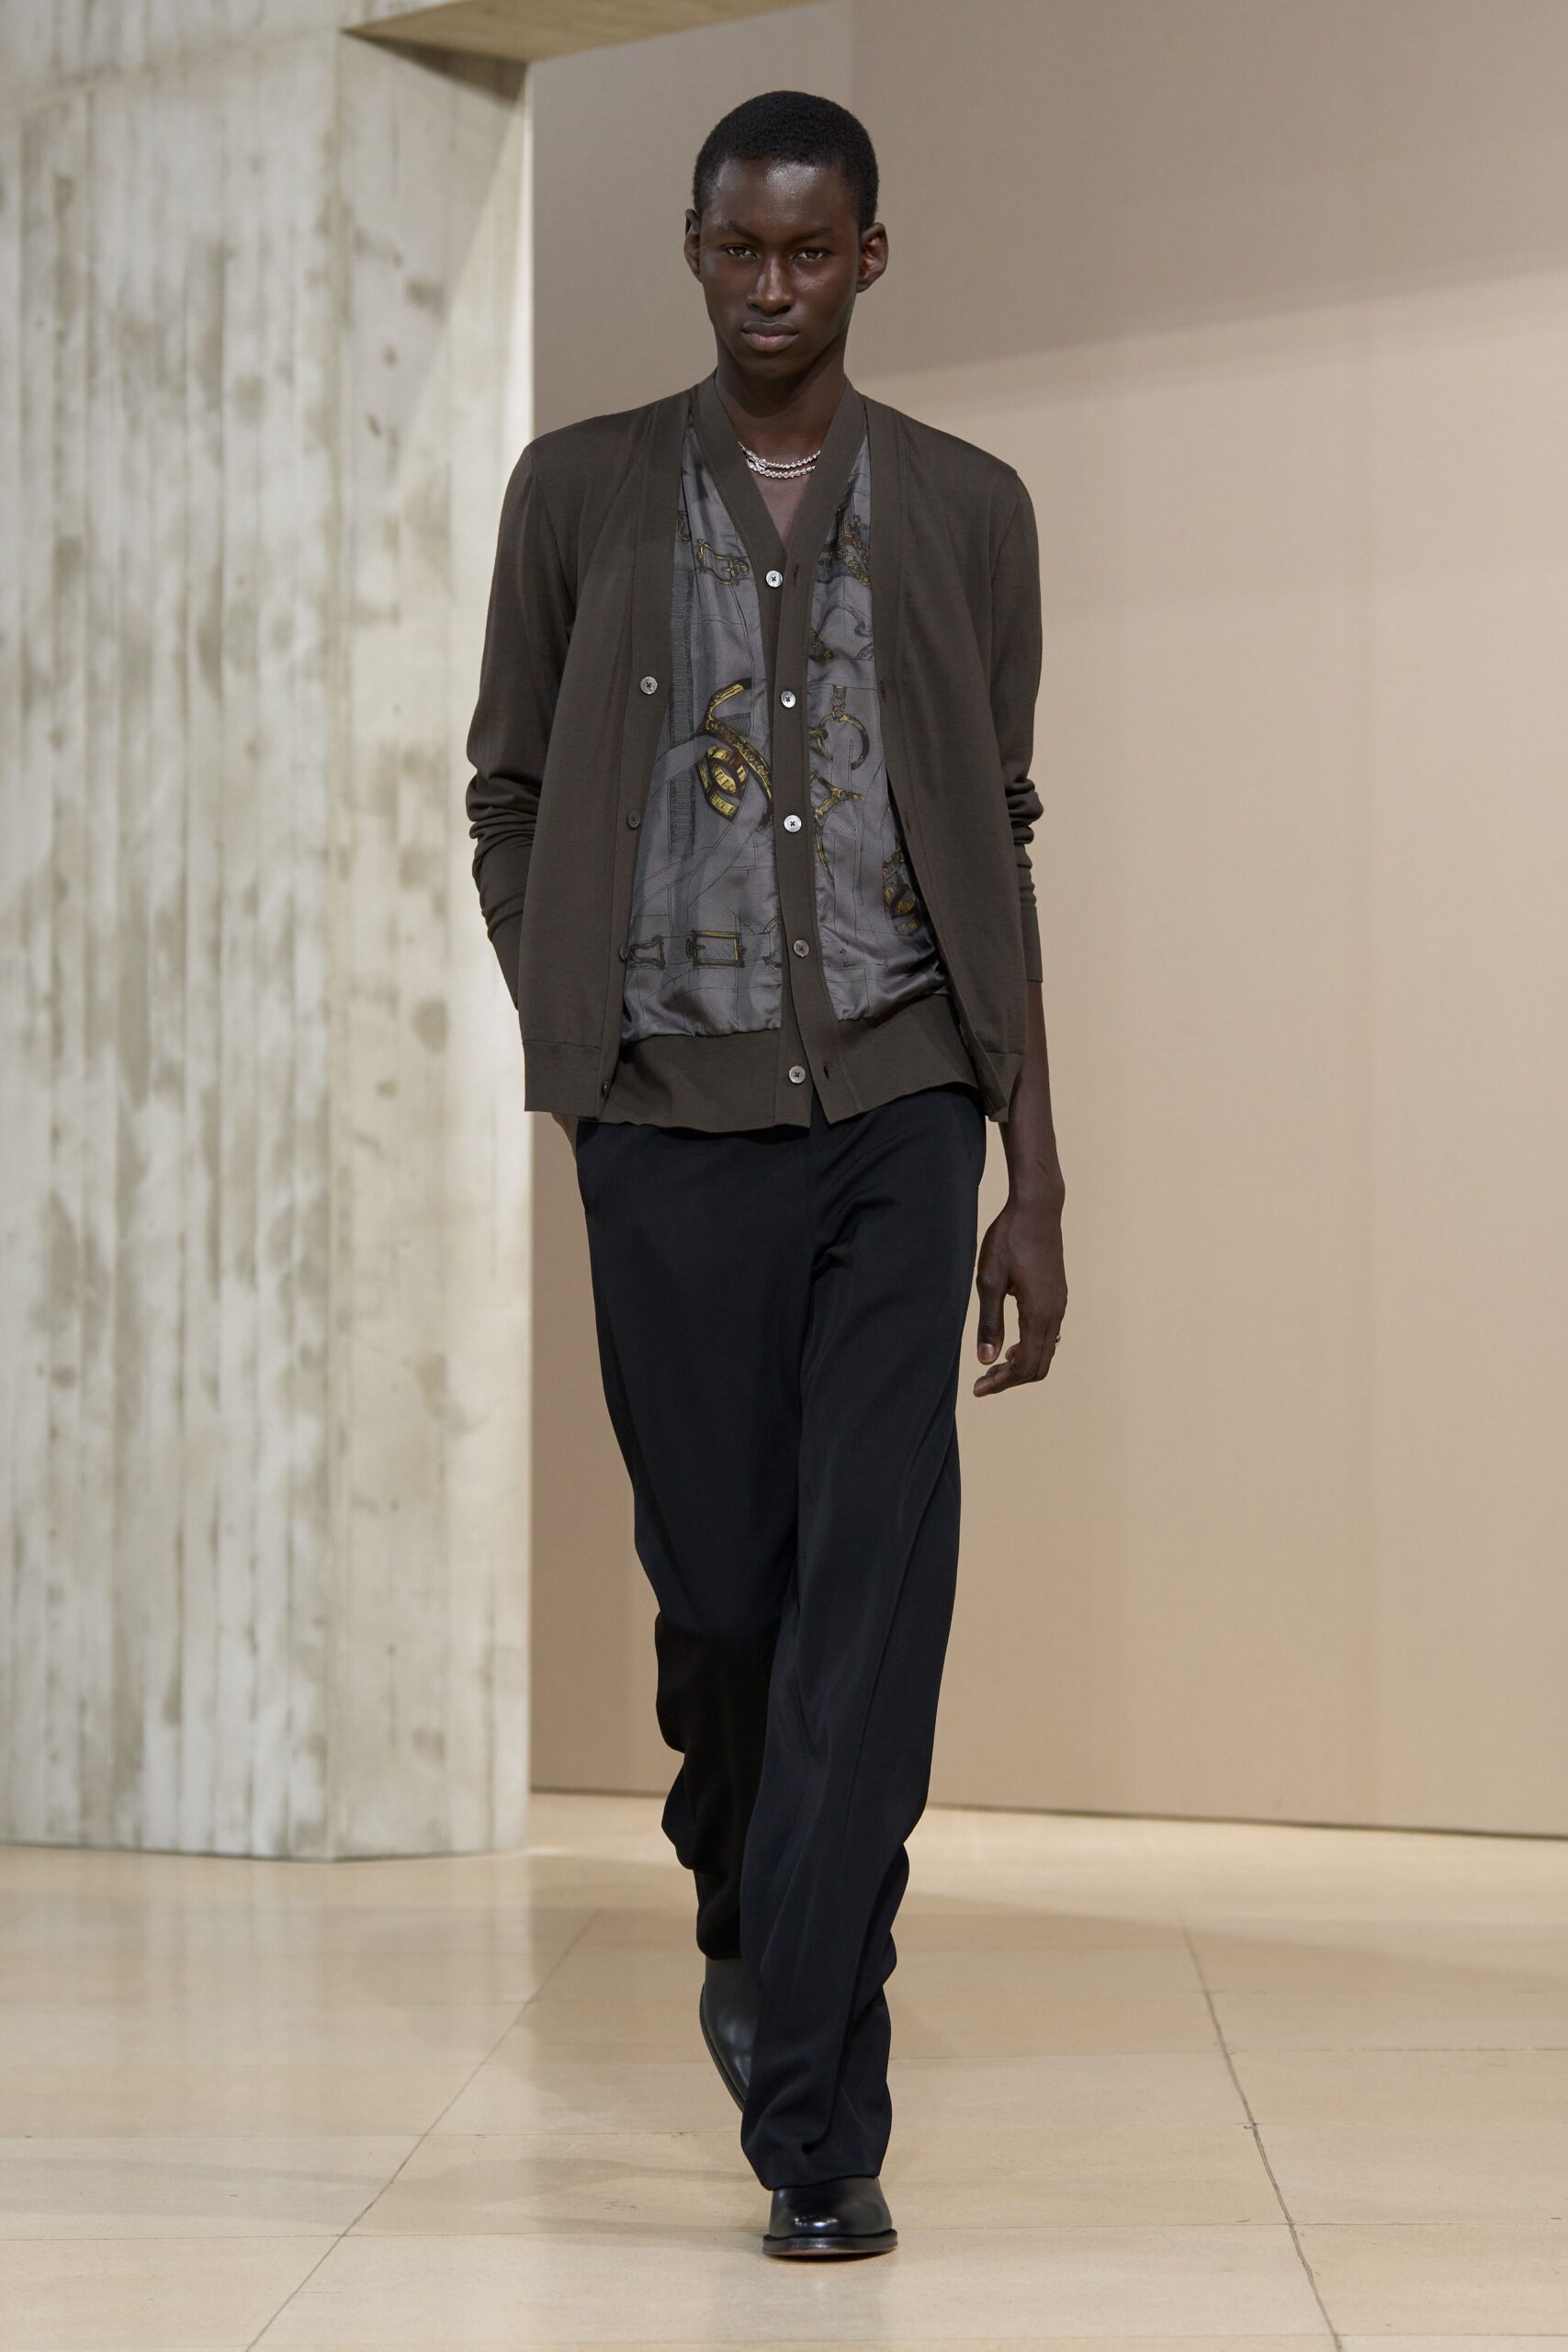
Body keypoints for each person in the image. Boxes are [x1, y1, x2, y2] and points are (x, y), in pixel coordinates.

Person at [464, 88, 1066, 2260]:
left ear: (868, 257)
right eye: (741, 247)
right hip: (665, 1124)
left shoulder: (969, 508)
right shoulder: (579, 492)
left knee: (868, 1598)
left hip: (901, 1111)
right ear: (694, 246)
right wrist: (577, 1039)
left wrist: (1031, 1170)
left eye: (813, 251)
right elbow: (506, 788)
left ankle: (817, 2112)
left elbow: (990, 834)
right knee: (722, 1596)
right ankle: (741, 1880)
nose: (774, 286)